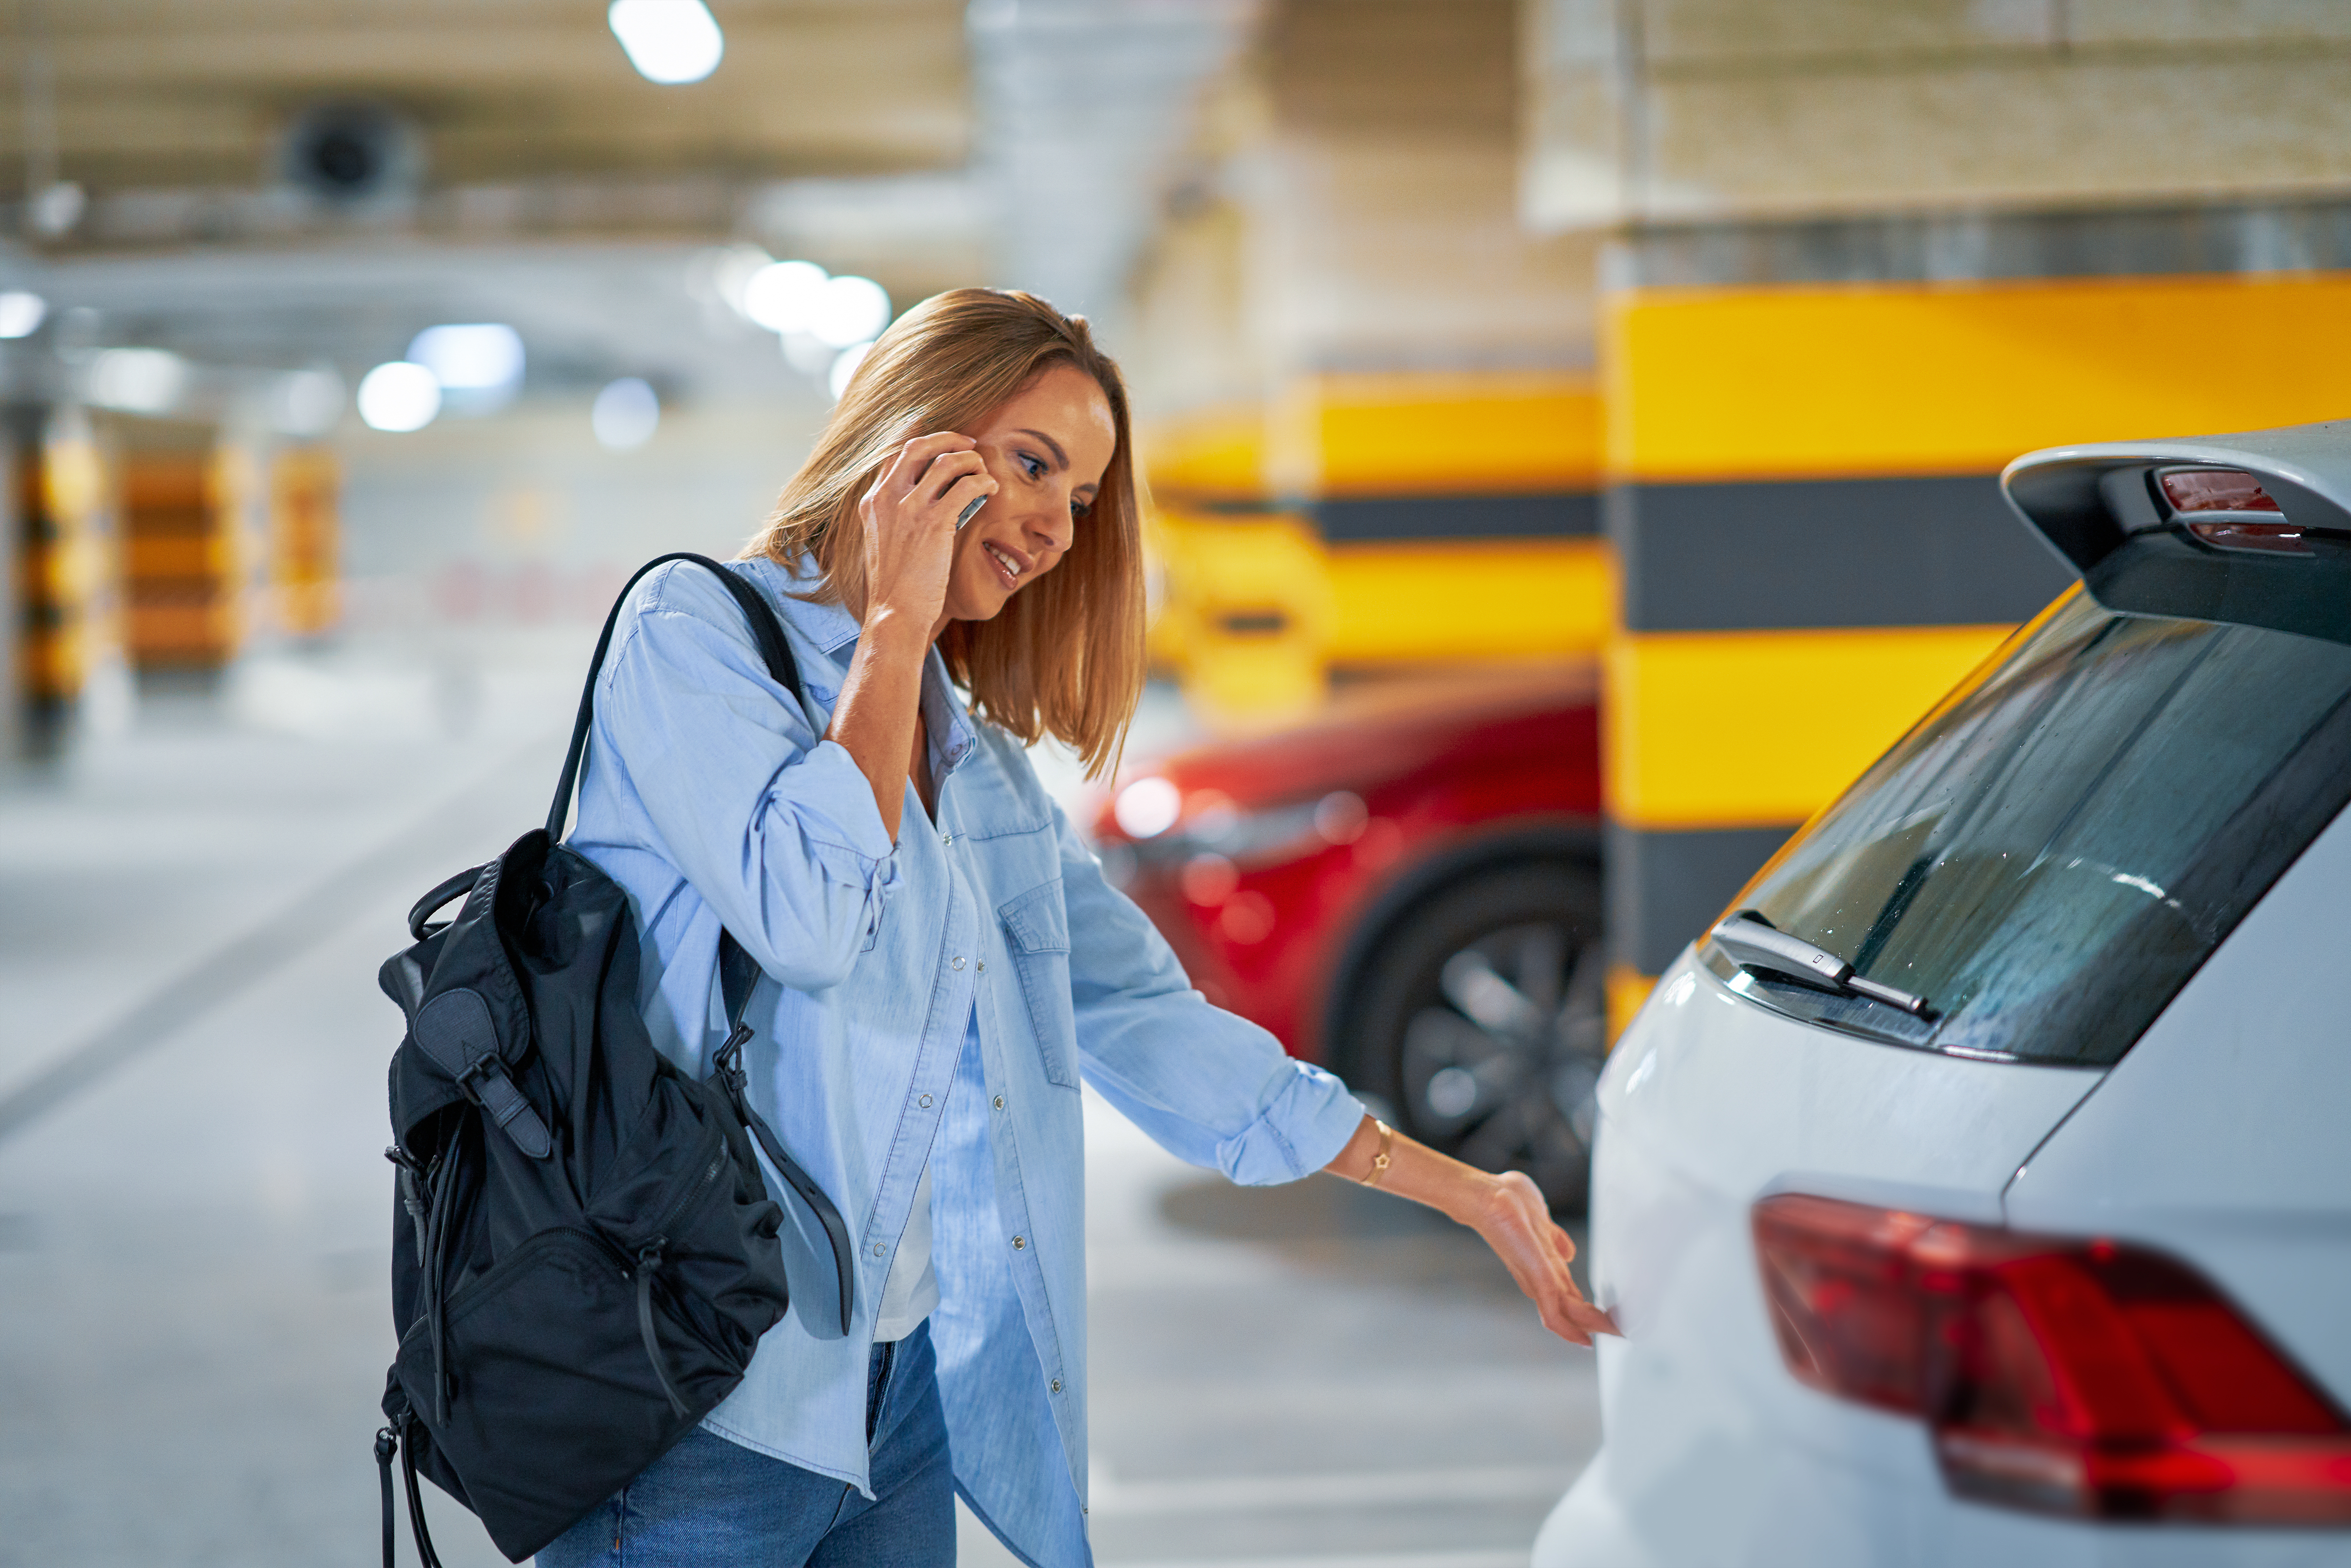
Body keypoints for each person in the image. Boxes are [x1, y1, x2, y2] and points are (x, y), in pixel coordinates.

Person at [543, 287, 1617, 1568]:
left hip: (896, 1398)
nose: (1058, 527)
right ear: (913, 443)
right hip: (706, 1398)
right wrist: (894, 620)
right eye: (1034, 465)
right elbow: (810, 918)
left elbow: (1141, 1018)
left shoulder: (973, 761)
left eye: (1086, 498)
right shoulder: (690, 641)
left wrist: (1464, 1186)